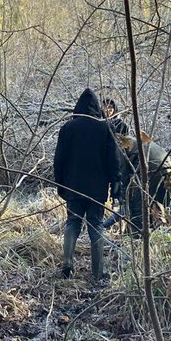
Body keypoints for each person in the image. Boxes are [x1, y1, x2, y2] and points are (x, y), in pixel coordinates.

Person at [53, 89, 121, 282]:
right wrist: (115, 186)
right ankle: (98, 272)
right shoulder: (106, 128)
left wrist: (61, 186)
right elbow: (114, 161)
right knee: (96, 225)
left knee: (73, 222)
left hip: (73, 186)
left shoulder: (67, 128)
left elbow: (59, 160)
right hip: (97, 188)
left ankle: (67, 262)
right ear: (97, 108)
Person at [107, 133, 171, 235]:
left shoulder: (117, 147)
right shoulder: (126, 141)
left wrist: (125, 199)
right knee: (158, 203)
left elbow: (124, 176)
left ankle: (137, 237)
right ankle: (159, 234)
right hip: (166, 164)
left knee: (137, 206)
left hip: (150, 165)